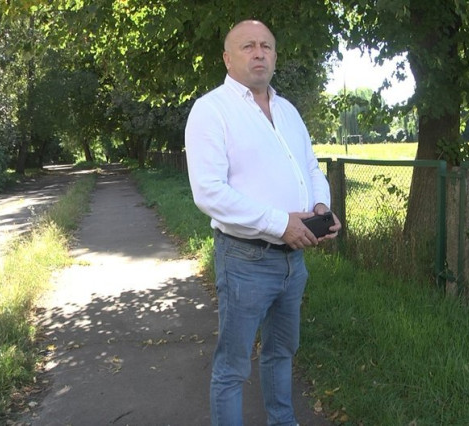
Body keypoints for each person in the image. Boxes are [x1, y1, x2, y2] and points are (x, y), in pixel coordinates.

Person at [184, 19, 341, 426]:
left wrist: (321, 207)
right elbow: (209, 192)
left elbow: (309, 166)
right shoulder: (211, 110)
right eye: (248, 46)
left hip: (293, 260)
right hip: (245, 261)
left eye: (266, 46)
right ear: (227, 58)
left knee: (281, 353)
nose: (259, 53)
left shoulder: (287, 110)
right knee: (233, 367)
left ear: (274, 55)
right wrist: (279, 223)